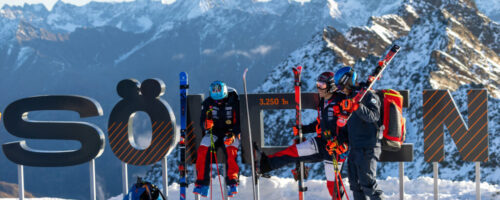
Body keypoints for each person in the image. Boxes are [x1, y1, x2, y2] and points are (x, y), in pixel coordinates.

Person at [257, 72, 349, 199]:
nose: (318, 88)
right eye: (317, 84)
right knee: (293, 151)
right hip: (321, 141)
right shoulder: (323, 102)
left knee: (332, 185)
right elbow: (319, 123)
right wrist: (304, 129)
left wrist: (341, 142)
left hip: (335, 148)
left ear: (331, 86)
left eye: (321, 85)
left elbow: (349, 126)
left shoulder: (341, 101)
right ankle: (265, 165)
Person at [334, 66, 384, 200]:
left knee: (368, 185)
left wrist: (357, 107)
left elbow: (374, 116)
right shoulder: (348, 99)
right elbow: (346, 126)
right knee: (355, 185)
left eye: (341, 86)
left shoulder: (369, 95)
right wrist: (340, 142)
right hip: (354, 148)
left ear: (348, 81)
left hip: (368, 147)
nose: (341, 90)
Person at [193, 81, 241, 197]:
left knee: (231, 150)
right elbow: (202, 121)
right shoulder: (208, 103)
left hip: (229, 132)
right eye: (216, 101)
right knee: (203, 149)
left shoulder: (234, 103)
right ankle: (202, 184)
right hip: (213, 133)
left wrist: (233, 134)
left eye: (220, 100)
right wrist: (206, 125)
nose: (218, 103)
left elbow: (239, 122)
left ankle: (232, 182)